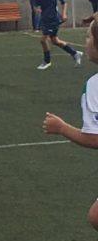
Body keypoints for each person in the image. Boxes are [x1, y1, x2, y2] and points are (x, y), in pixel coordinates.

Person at [41, 16, 98, 230]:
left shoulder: (95, 86)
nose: (86, 42)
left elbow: (94, 138)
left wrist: (62, 128)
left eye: (88, 37)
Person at [33, 0, 83, 70]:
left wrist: (64, 14)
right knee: (55, 40)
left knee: (43, 40)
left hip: (53, 20)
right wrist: (37, 9)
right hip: (45, 20)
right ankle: (75, 53)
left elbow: (64, 2)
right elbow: (36, 5)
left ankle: (47, 61)